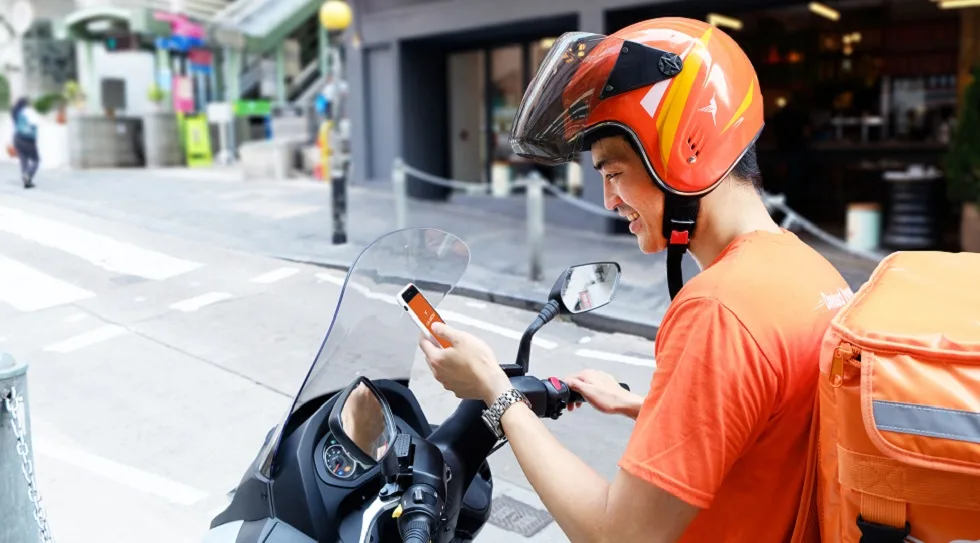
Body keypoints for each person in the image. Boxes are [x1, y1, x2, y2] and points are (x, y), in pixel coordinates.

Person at [418, 17, 852, 542]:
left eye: (614, 173)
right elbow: (768, 426)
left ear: (687, 150)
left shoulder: (718, 311)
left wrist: (494, 390)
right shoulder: (811, 270)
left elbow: (618, 534)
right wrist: (643, 407)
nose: (609, 200)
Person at [11, 97, 39, 189]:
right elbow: (35, 123)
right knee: (36, 160)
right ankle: (28, 175)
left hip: (17, 138)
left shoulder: (16, 112)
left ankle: (26, 181)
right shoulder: (28, 112)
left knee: (23, 159)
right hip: (28, 139)